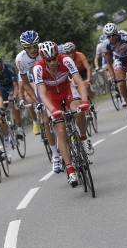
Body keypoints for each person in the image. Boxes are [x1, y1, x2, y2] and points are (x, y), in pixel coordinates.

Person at [34, 41, 92, 186]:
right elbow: (42, 94)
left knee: (78, 110)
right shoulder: (38, 68)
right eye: (49, 60)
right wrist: (53, 111)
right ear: (43, 59)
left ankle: (84, 139)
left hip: (67, 90)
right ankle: (70, 170)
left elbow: (78, 81)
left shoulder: (66, 59)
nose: (53, 62)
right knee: (60, 130)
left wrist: (85, 101)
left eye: (54, 58)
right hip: (52, 96)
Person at [16, 30, 63, 173]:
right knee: (46, 120)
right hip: (36, 84)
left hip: (51, 79)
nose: (32, 49)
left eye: (34, 46)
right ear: (24, 47)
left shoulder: (45, 49)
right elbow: (26, 85)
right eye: (28, 47)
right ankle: (55, 155)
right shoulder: (20, 59)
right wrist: (38, 102)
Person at [0, 51, 24, 140]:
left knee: (11, 102)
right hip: (1, 87)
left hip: (11, 86)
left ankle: (19, 127)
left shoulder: (9, 68)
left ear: (1, 62)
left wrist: (14, 97)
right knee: (1, 106)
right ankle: (7, 128)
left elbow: (16, 86)